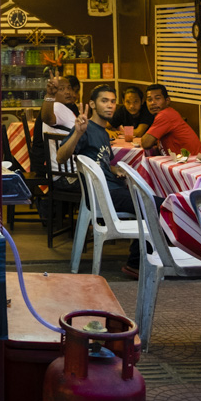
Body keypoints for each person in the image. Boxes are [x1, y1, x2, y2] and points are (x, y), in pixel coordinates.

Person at [55, 84, 142, 277]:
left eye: (112, 101)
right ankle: (136, 263)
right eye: (104, 101)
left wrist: (114, 168)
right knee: (157, 206)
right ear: (92, 104)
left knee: (155, 200)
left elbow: (100, 162)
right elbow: (61, 157)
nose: (110, 105)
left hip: (112, 188)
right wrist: (77, 132)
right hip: (104, 194)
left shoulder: (103, 132)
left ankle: (149, 257)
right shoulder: (86, 129)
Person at [140, 84, 201, 156]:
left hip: (191, 162)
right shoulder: (167, 113)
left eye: (157, 98)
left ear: (167, 101)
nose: (153, 103)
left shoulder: (165, 115)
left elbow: (146, 143)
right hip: (185, 159)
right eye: (149, 99)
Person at [38, 74, 81, 172]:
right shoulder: (56, 107)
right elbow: (47, 118)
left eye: (69, 88)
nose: (67, 92)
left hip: (67, 170)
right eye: (61, 89)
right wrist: (49, 95)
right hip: (69, 174)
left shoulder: (65, 107)